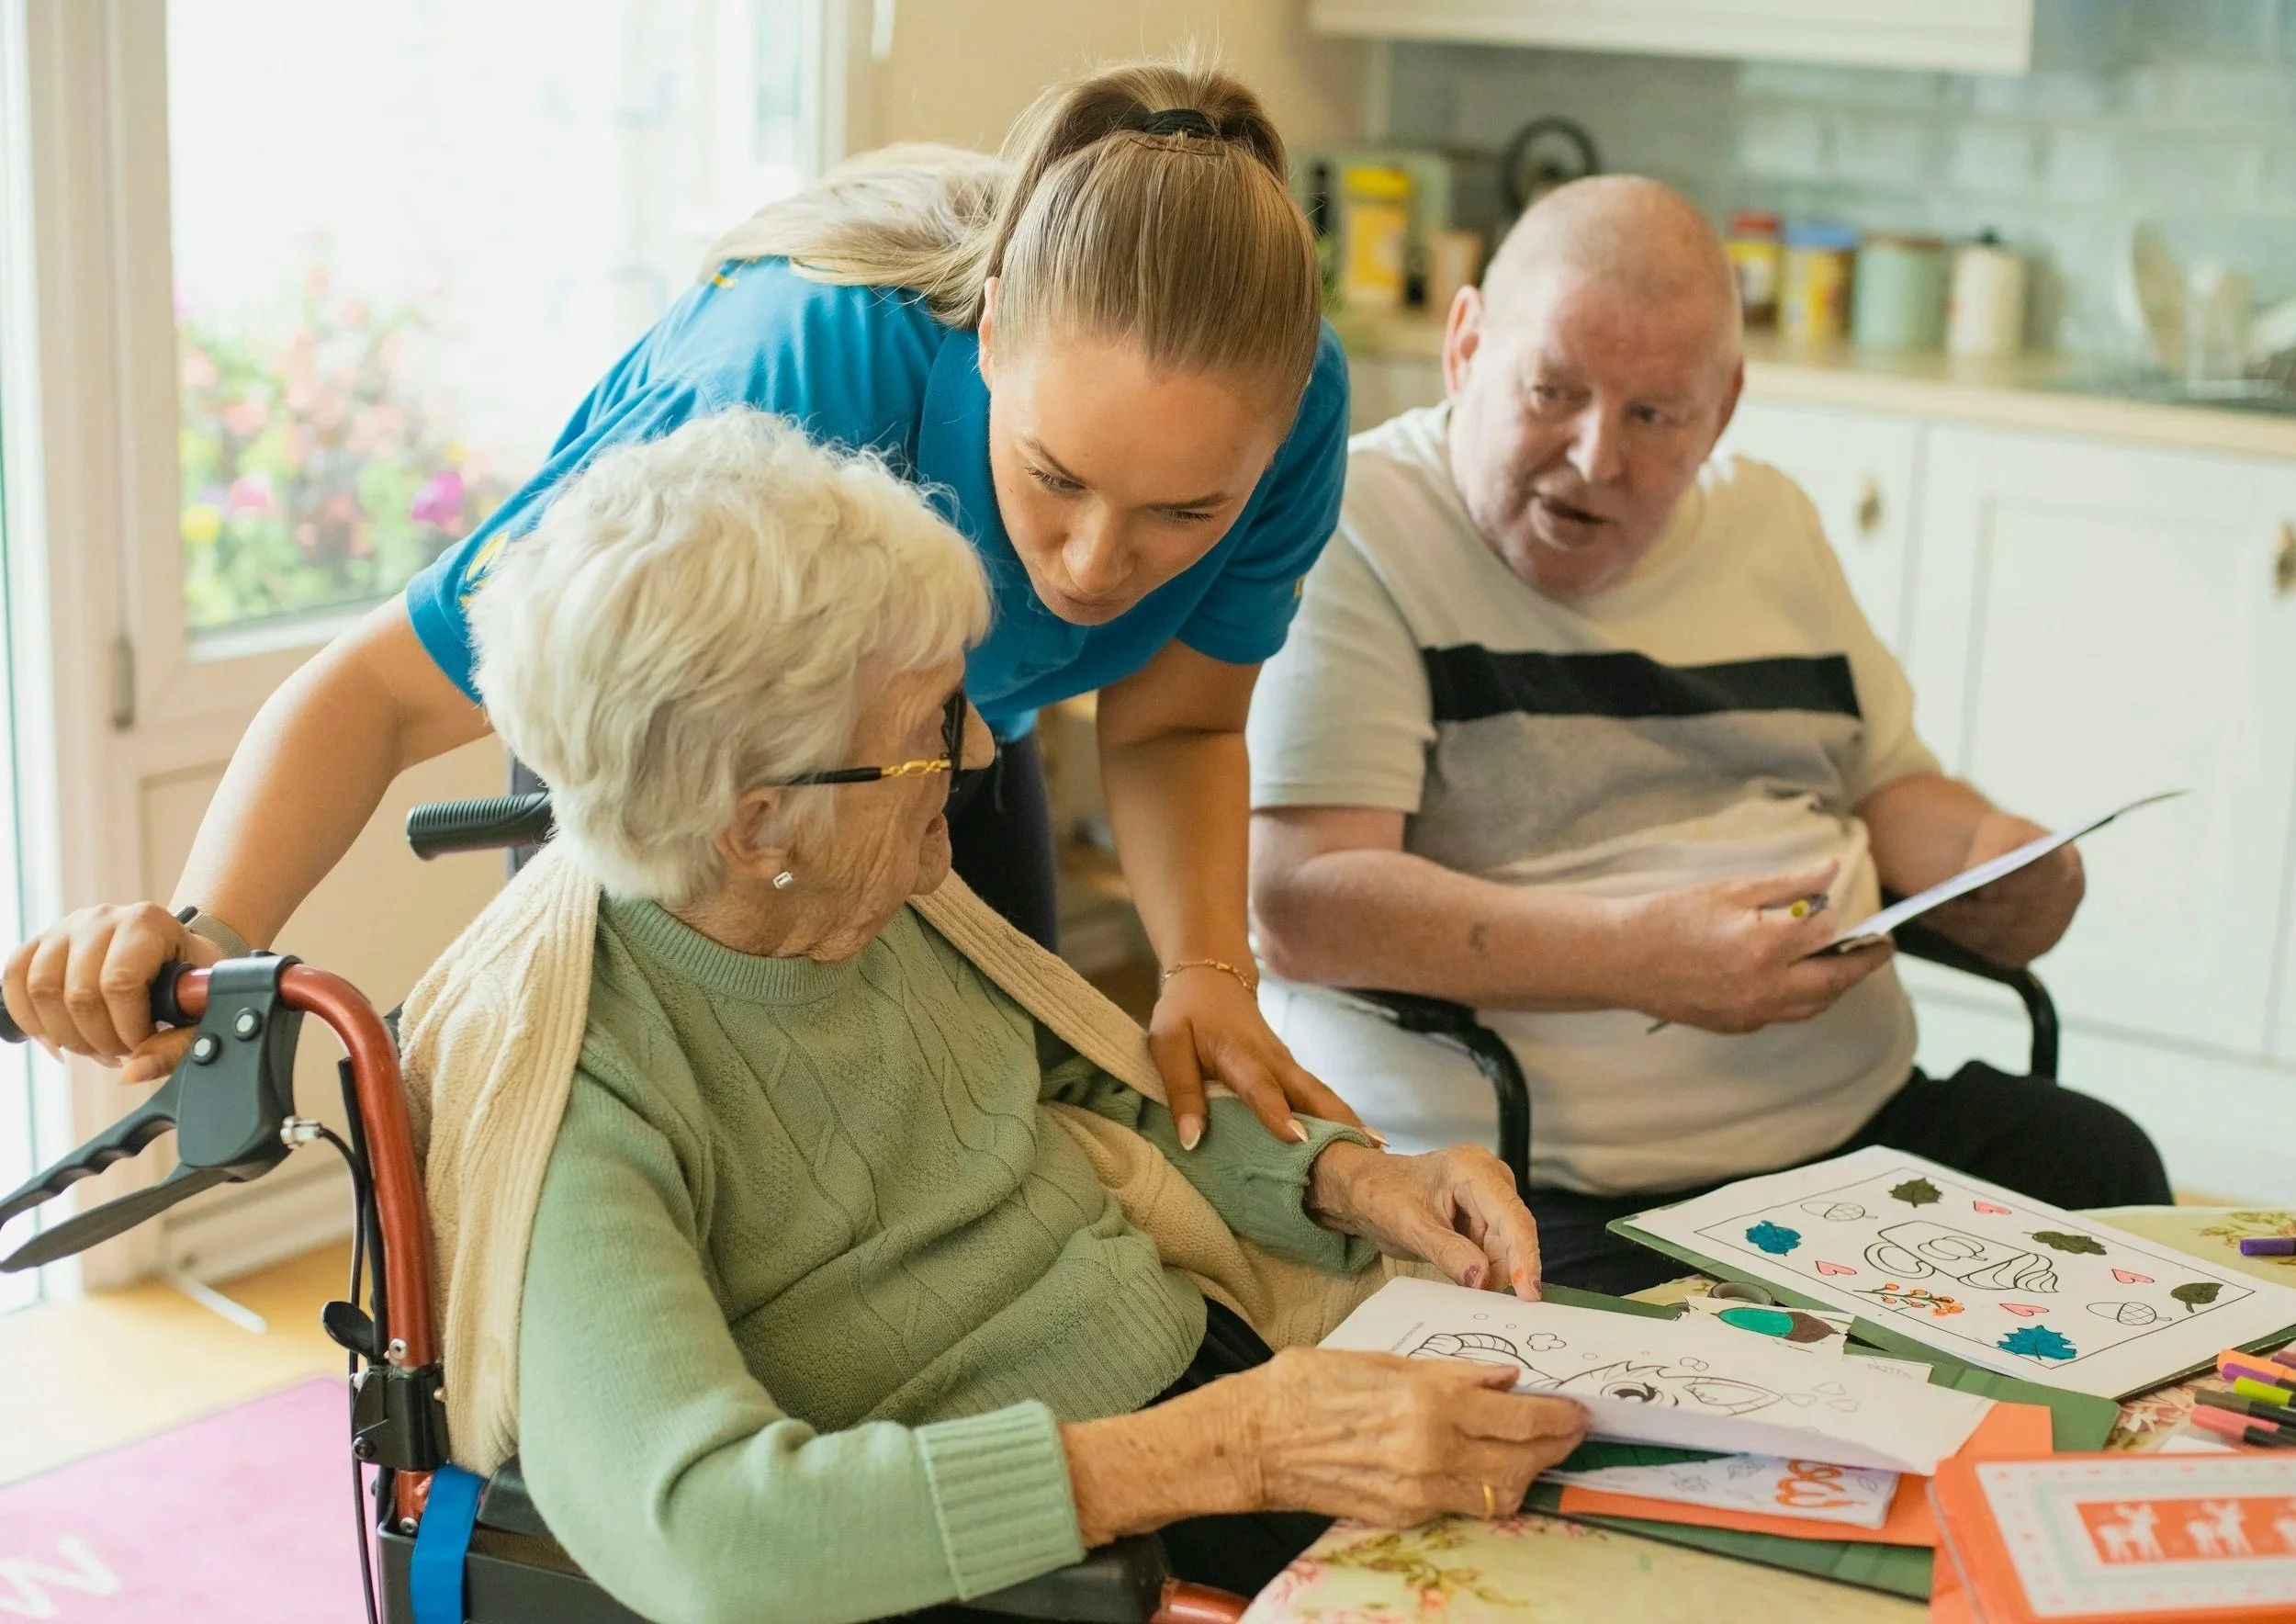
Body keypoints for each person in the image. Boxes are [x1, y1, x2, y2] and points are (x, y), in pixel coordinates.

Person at [4, 58, 1358, 1149]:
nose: (1092, 566)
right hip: (669, 700)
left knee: (1004, 1106)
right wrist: (210, 941)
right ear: (992, 333)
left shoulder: (1290, 415)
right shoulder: (775, 400)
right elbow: (373, 692)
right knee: (675, 1139)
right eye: (1054, 478)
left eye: (1187, 513)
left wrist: (1204, 973)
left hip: (943, 722)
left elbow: (1176, 727)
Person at [406, 410, 1582, 1624]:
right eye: (926, 732)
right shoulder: (578, 1090)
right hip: (1042, 1556)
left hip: (1207, 1397)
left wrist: (1347, 1182)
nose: (974, 753)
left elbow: (1080, 1088)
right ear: (756, 825)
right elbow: (714, 1533)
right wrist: (1231, 1448)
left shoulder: (854, 897)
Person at [1244, 176, 2171, 1298]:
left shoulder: (1767, 519)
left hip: (1858, 1130)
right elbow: (1298, 903)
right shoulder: (1359, 523)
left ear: (1721, 407)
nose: (1594, 457)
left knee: (2103, 1168)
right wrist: (1637, 958)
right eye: (1552, 390)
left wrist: (1999, 859)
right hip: (1539, 1178)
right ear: (1465, 345)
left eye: (1654, 415)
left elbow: (1889, 785)